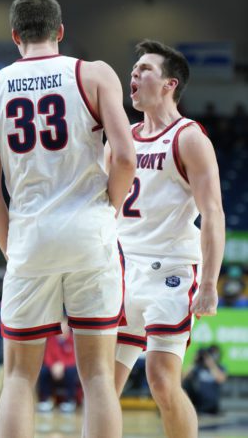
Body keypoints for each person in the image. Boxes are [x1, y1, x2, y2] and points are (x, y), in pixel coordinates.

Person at [0, 0, 136, 438]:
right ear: (60, 31)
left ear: (14, 37)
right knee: (99, 377)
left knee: (20, 378)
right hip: (90, 234)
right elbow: (125, 157)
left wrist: (15, 252)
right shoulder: (94, 74)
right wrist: (110, 208)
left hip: (28, 237)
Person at [105, 40, 225, 438]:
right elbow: (101, 211)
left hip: (170, 270)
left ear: (170, 84)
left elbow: (213, 214)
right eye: (133, 69)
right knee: (102, 386)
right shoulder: (122, 139)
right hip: (122, 269)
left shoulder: (189, 138)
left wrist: (208, 283)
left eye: (144, 69)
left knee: (160, 381)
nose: (134, 75)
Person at [37, 321, 79, 413]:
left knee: (71, 371)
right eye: (61, 327)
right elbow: (47, 356)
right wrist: (53, 366)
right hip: (53, 368)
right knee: (43, 371)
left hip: (67, 368)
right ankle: (45, 400)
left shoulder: (73, 340)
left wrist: (62, 365)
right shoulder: (51, 340)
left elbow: (74, 358)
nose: (63, 329)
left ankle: (69, 401)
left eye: (65, 327)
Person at [183, 345, 227, 414]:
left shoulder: (219, 367)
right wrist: (194, 361)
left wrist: (211, 364)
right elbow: (183, 378)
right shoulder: (198, 367)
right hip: (199, 404)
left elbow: (221, 379)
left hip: (213, 405)